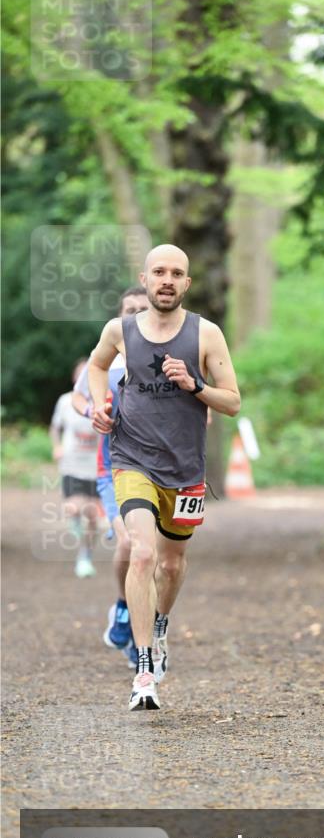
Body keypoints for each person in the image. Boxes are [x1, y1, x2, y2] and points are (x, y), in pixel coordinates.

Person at [88, 244, 241, 710]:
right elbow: (96, 366)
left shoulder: (205, 334)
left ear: (187, 283)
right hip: (132, 458)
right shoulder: (120, 329)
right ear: (146, 278)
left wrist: (194, 384)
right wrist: (100, 405)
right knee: (140, 552)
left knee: (171, 565)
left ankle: (159, 626)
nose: (167, 280)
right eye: (159, 272)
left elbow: (233, 401)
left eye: (177, 273)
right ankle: (143, 670)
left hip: (185, 469)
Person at [72, 287, 150, 667]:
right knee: (132, 544)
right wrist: (92, 413)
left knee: (154, 556)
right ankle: (128, 618)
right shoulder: (108, 356)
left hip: (160, 470)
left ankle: (134, 621)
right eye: (129, 310)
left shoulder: (168, 354)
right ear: (119, 315)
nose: (135, 315)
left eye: (142, 309)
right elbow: (78, 396)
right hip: (113, 469)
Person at [49, 359, 100, 578]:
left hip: (96, 468)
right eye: (81, 375)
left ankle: (85, 556)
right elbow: (54, 428)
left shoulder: (102, 400)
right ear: (74, 378)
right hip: (71, 464)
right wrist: (57, 446)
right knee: (74, 508)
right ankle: (74, 521)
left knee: (93, 516)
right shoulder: (65, 401)